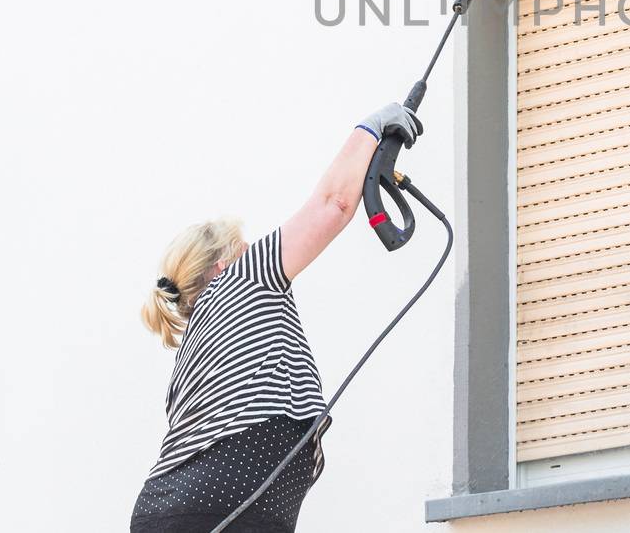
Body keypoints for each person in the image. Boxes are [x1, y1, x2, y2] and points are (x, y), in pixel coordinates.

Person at [130, 103, 423, 533]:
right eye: (244, 246)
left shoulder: (194, 351)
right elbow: (334, 204)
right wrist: (371, 129)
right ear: (220, 265)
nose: (257, 251)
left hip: (171, 511)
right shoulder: (243, 278)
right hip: (214, 512)